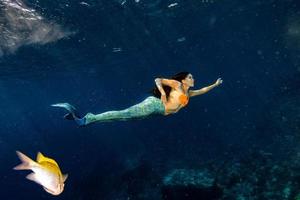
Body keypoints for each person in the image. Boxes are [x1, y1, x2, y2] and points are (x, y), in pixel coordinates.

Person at [52, 72, 223, 126]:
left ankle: (85, 119)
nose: (193, 79)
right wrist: (163, 93)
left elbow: (203, 90)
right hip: (153, 104)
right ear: (184, 79)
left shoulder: (189, 93)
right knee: (124, 114)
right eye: (191, 77)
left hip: (157, 112)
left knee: (124, 118)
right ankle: (86, 119)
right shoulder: (177, 85)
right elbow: (158, 79)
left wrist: (215, 85)